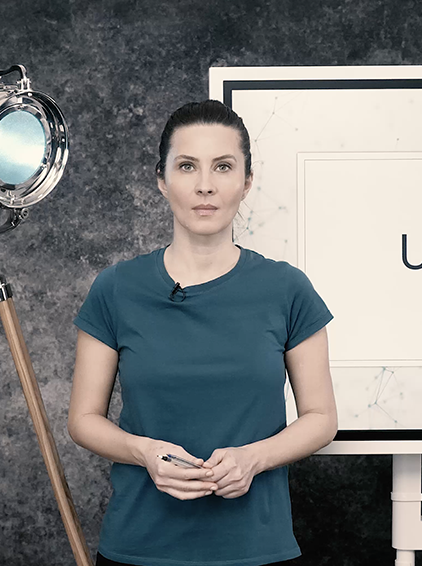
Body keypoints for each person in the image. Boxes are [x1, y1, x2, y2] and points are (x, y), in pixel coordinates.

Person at [68, 100, 338, 566]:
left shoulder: (287, 288)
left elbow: (321, 418)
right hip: (139, 549)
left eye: (223, 167)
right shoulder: (116, 288)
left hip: (257, 551)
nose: (205, 185)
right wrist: (143, 451)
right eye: (187, 166)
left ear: (247, 181)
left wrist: (254, 458)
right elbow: (83, 419)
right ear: (162, 179)